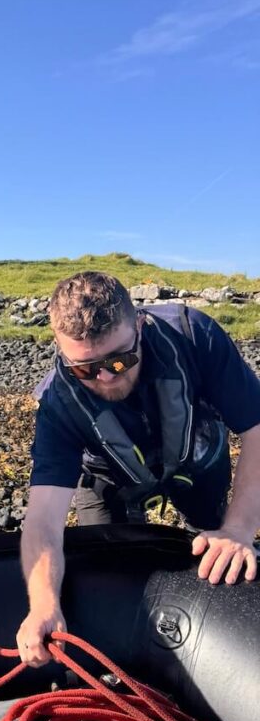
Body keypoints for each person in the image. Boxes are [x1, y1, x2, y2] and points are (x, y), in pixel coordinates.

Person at [18, 271, 260, 667]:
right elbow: (43, 517)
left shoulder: (193, 335)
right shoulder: (59, 403)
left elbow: (256, 428)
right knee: (108, 570)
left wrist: (237, 531)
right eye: (85, 369)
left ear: (140, 326)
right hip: (108, 474)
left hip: (193, 458)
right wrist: (42, 603)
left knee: (215, 544)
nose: (107, 377)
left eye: (120, 358)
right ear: (62, 353)